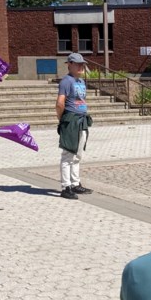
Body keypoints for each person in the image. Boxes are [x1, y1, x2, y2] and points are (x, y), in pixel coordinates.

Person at [56, 53, 93, 200]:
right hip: (71, 119)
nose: (80, 66)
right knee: (68, 154)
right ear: (69, 64)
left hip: (81, 119)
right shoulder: (66, 81)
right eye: (77, 64)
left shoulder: (81, 81)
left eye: (82, 64)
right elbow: (60, 103)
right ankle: (66, 186)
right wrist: (62, 120)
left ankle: (75, 183)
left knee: (77, 155)